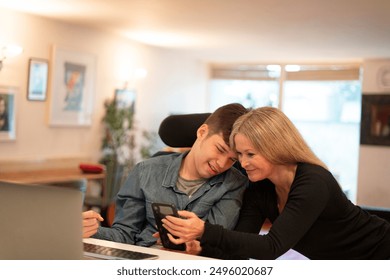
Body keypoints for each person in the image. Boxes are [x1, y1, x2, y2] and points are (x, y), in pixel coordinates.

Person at [162, 106, 390, 259]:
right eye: (239, 155)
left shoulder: (314, 181)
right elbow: (243, 244)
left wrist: (203, 230)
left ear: (275, 148)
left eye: (250, 154)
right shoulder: (259, 187)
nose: (243, 162)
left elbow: (271, 247)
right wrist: (200, 248)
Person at [83, 103, 249, 246]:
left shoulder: (234, 183)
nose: (221, 164)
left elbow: (217, 243)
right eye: (220, 149)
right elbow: (124, 235)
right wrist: (91, 231)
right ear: (202, 132)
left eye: (232, 160)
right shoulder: (145, 171)